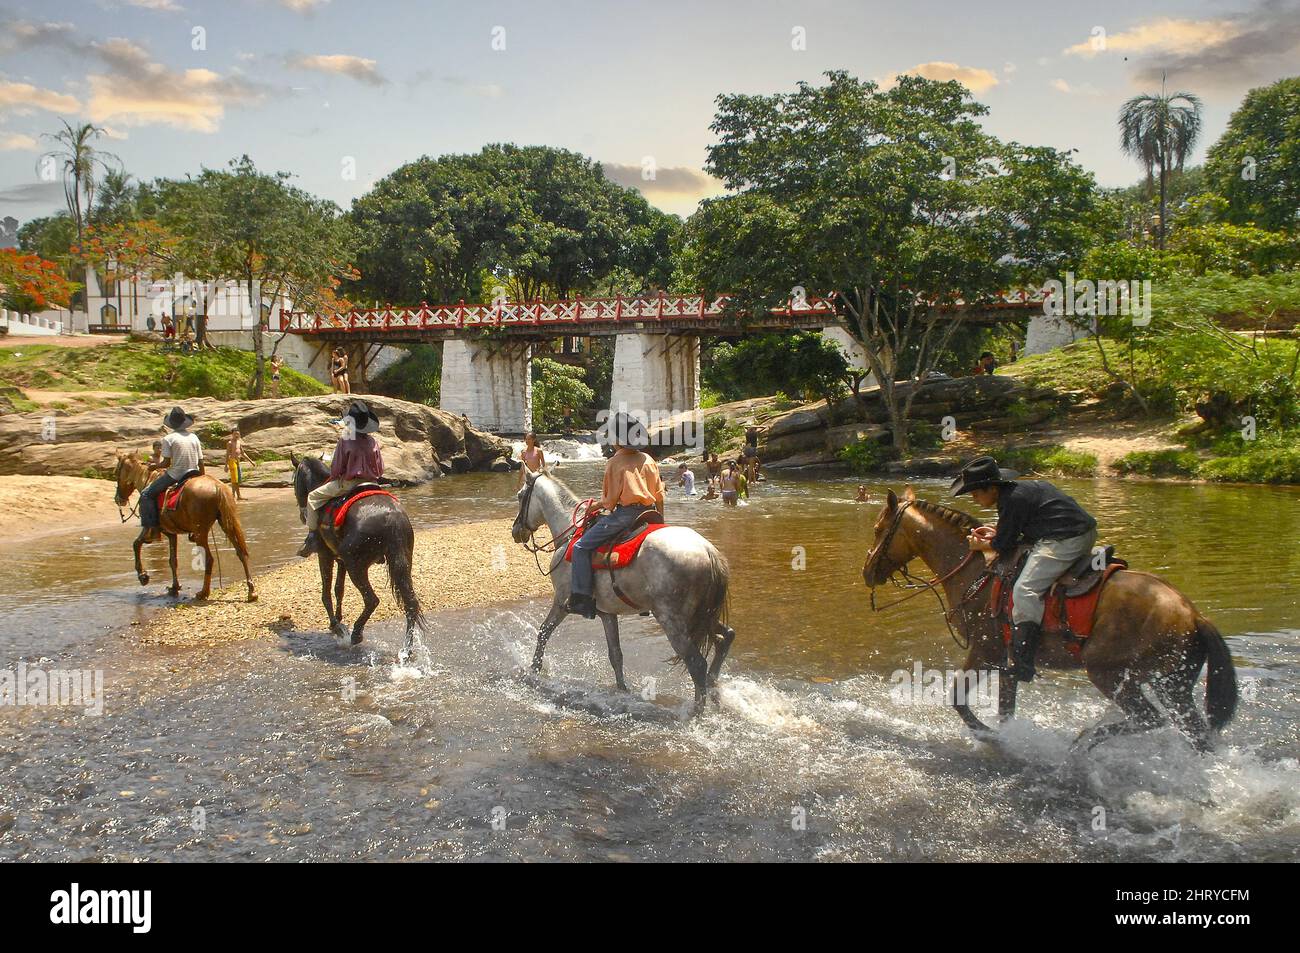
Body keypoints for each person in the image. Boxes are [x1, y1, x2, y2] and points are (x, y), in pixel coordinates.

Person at [954, 455, 1098, 683]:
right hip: (1076, 531)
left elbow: (1004, 545)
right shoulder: (1018, 492)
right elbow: (1017, 530)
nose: (973, 499)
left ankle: (1023, 663)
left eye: (975, 493)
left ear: (992, 488)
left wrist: (982, 544)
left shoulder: (1011, 501)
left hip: (1067, 539)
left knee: (1024, 590)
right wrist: (998, 535)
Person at [567, 412, 664, 619]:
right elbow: (659, 495)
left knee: (580, 547)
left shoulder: (614, 462)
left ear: (618, 440)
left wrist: (594, 507)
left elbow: (610, 503)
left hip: (626, 515)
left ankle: (582, 599)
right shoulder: (648, 459)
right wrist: (661, 520)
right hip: (650, 514)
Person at [299, 401, 384, 556]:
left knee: (312, 497)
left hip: (349, 484)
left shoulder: (345, 440)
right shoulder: (373, 441)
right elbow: (380, 468)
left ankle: (312, 537)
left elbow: (336, 469)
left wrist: (337, 474)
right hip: (372, 483)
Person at [139, 406, 204, 543]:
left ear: (172, 424)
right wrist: (202, 477)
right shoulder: (194, 437)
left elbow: (166, 464)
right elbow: (201, 461)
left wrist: (154, 466)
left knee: (146, 494)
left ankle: (153, 530)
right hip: (194, 473)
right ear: (184, 422)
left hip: (176, 474)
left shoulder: (169, 438)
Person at [225, 426, 256, 501]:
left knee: (237, 480)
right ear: (232, 434)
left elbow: (243, 453)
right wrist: (226, 465)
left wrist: (251, 461)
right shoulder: (230, 443)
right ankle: (233, 496)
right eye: (235, 434)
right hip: (232, 462)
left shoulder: (239, 442)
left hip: (238, 462)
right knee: (234, 480)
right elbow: (227, 454)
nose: (236, 435)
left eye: (238, 434)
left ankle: (238, 496)